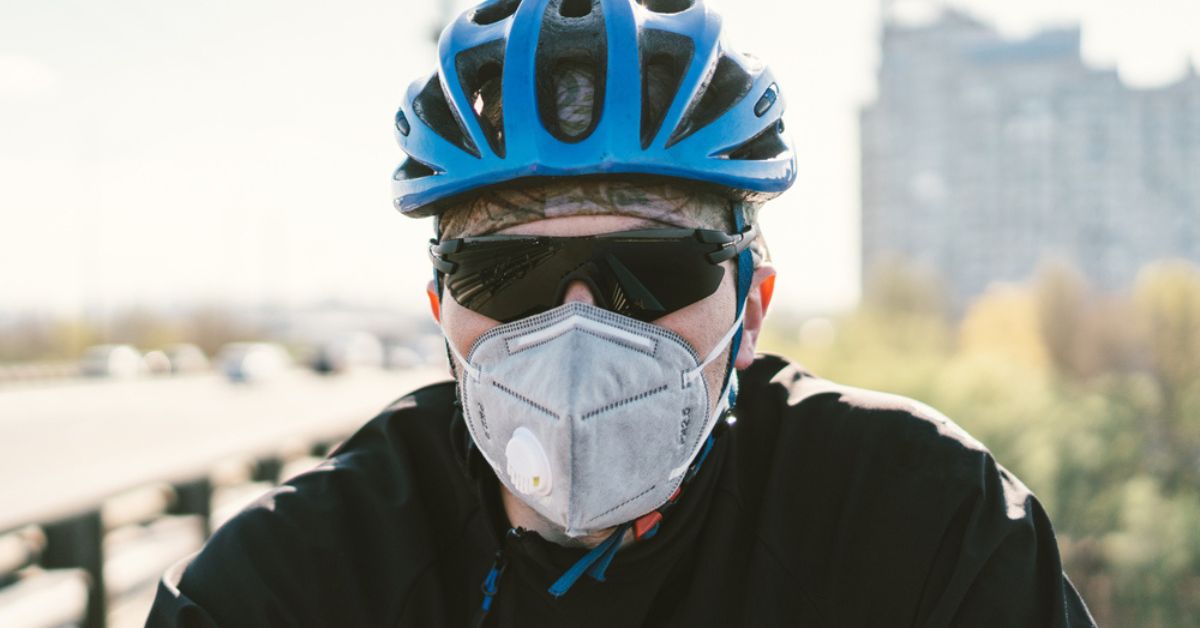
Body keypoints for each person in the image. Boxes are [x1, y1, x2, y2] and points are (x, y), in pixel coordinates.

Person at [148, 0, 1097, 626]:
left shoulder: (923, 525)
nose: (578, 323)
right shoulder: (288, 587)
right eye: (506, 273)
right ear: (442, 313)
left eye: (652, 267)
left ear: (751, 309)